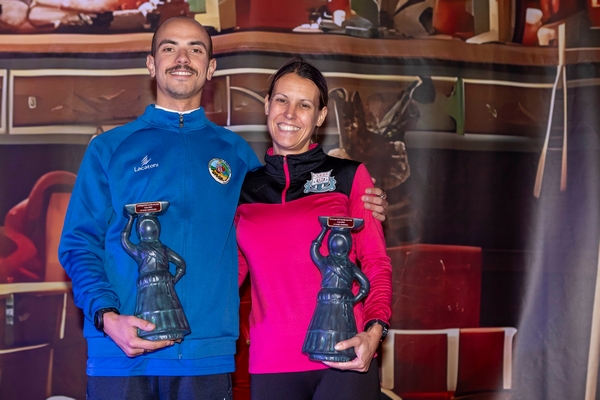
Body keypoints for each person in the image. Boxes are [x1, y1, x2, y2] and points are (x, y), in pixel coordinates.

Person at [58, 16, 388, 400]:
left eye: (195, 49)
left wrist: (362, 198)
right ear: (151, 63)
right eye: (169, 48)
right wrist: (107, 317)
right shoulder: (109, 149)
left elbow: (287, 202)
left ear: (211, 67)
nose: (183, 58)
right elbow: (79, 244)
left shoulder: (237, 156)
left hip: (206, 360)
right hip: (120, 355)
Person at [235, 57, 392, 400]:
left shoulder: (349, 176)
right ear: (267, 104)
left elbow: (376, 263)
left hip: (344, 356)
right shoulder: (243, 189)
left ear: (320, 116)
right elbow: (231, 274)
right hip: (270, 363)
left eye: (304, 105)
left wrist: (374, 332)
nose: (290, 113)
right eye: (282, 100)